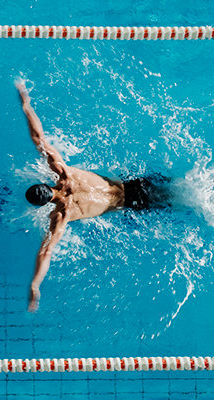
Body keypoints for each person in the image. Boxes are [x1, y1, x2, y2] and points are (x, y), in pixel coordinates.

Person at [16, 81, 169, 312]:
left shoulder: (61, 215)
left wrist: (35, 284)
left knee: (178, 203)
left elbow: (46, 252)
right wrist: (26, 104)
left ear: (44, 204)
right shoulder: (63, 172)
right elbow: (39, 138)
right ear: (45, 182)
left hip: (135, 204)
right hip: (136, 185)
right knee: (179, 189)